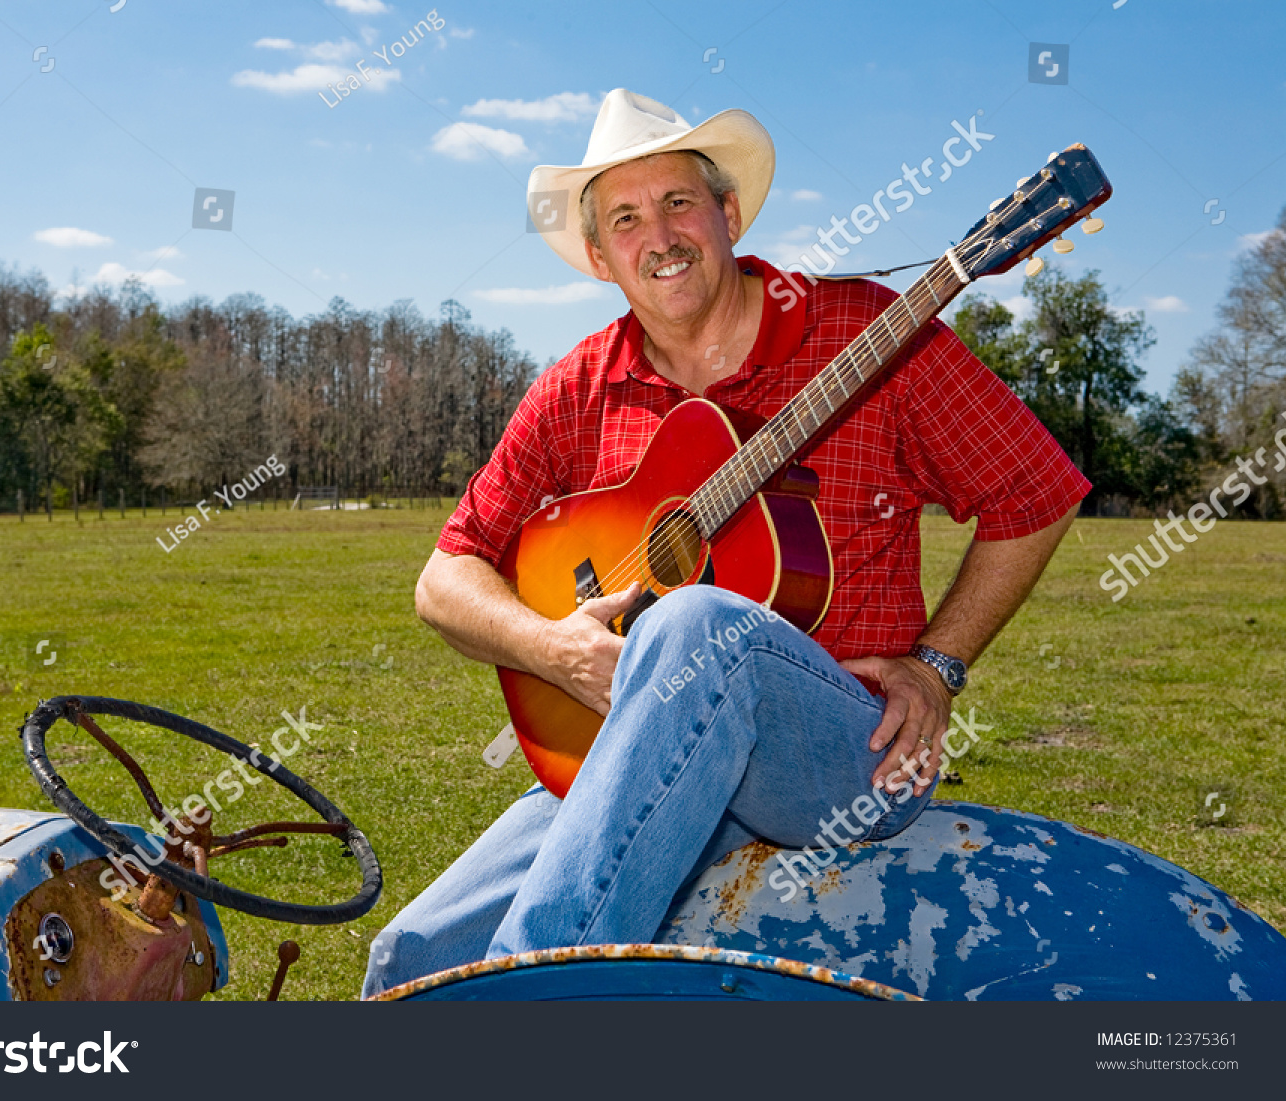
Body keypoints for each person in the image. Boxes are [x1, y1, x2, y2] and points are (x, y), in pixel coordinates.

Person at [361, 88, 1087, 998]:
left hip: (839, 752)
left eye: (677, 203)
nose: (656, 235)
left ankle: (537, 1008)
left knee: (699, 623)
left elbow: (1038, 491)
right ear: (598, 256)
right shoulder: (578, 387)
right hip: (634, 751)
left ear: (728, 213)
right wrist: (551, 648)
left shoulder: (864, 331)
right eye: (624, 218)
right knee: (410, 958)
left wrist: (940, 663)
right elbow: (444, 575)